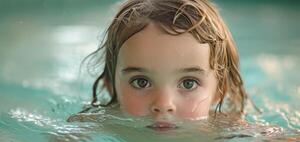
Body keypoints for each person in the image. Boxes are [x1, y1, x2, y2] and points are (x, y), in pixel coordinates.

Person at [74, 0, 249, 131]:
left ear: (220, 90)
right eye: (141, 82)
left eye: (189, 83)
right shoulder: (97, 125)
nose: (164, 104)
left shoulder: (229, 130)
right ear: (111, 86)